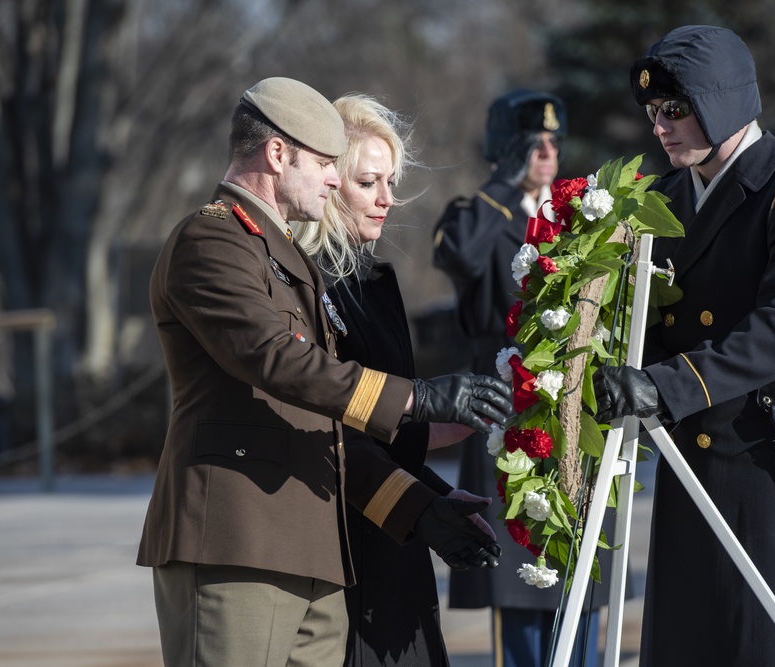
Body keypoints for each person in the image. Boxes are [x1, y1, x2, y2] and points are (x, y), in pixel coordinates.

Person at [138, 77, 514, 667]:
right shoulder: (211, 237)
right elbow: (277, 361)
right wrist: (420, 399)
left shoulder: (286, 260)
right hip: (239, 543)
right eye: (323, 163)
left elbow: (327, 426)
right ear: (278, 153)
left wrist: (419, 508)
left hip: (314, 555)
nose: (335, 178)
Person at [591, 26, 775, 665]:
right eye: (653, 113)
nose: (660, 127)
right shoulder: (663, 200)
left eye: (676, 109)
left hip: (765, 458)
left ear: (721, 101)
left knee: (773, 647)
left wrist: (665, 385)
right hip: (687, 459)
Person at [294, 93, 489, 667]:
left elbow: (375, 418)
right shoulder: (312, 284)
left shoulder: (370, 278)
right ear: (330, 185)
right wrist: (419, 501)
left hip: (393, 526)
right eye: (369, 182)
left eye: (391, 180)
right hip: (345, 539)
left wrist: (431, 453)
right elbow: (325, 429)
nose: (388, 198)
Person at [433, 90, 606, 667]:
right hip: (508, 406)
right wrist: (506, 185)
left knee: (583, 565)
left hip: (575, 401)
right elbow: (459, 255)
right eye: (533, 143)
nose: (547, 152)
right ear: (506, 148)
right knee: (522, 570)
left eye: (553, 142)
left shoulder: (579, 214)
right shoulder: (476, 212)